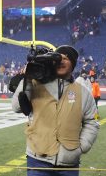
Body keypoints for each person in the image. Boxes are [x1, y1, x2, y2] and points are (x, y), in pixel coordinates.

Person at [12, 46, 99, 176]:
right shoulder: (36, 84)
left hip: (69, 163)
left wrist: (82, 147)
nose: (61, 61)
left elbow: (92, 121)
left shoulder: (84, 93)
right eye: (58, 58)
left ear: (73, 64)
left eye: (66, 58)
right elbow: (17, 107)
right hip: (38, 160)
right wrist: (27, 78)